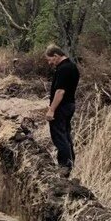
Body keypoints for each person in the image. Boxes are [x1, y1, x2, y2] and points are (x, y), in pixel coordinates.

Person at [45, 44, 80, 175]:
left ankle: (65, 167)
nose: (49, 63)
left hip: (62, 107)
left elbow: (60, 92)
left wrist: (52, 109)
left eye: (50, 59)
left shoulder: (64, 69)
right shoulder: (71, 66)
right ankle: (70, 163)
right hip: (69, 105)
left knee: (59, 136)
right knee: (65, 134)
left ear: (56, 56)